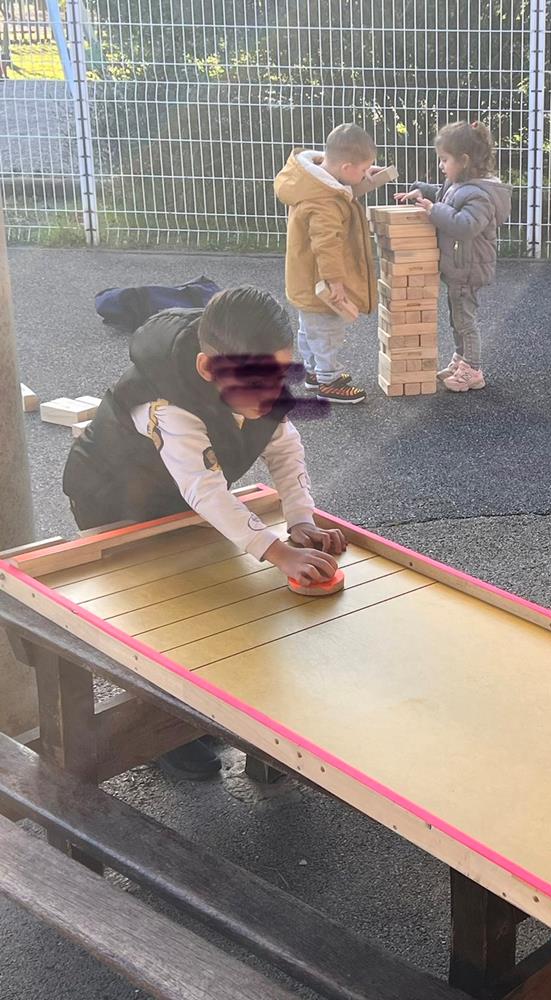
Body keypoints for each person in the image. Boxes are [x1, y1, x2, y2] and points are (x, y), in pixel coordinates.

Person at [63, 286, 344, 778]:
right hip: (115, 503)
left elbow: (283, 448)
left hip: (181, 497)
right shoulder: (166, 404)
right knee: (156, 613)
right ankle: (156, 736)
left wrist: (301, 518)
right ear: (207, 370)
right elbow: (205, 490)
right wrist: (279, 553)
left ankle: (221, 715)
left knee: (212, 601)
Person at [395, 121, 511, 392]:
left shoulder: (481, 195)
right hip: (459, 265)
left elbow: (465, 225)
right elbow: (446, 197)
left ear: (464, 160)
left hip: (469, 267)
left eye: (445, 160)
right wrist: (422, 192)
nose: (441, 165)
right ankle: (461, 359)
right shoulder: (460, 184)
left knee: (465, 320)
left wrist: (433, 210)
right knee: (456, 317)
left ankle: (473, 369)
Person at [274, 123, 379, 403]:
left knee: (309, 329)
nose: (363, 174)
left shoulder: (313, 183)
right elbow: (326, 245)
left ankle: (313, 374)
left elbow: (344, 188)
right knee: (327, 332)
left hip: (303, 280)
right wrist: (335, 282)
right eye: (362, 169)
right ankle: (328, 381)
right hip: (319, 282)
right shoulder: (324, 203)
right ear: (346, 168)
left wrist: (367, 177)